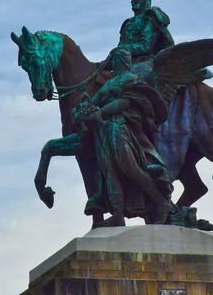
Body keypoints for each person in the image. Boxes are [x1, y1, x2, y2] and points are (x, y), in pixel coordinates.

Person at [74, 47, 173, 227]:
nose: (111, 63)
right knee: (109, 171)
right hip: (103, 131)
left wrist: (100, 112)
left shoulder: (132, 80)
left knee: (130, 167)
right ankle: (118, 214)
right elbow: (93, 103)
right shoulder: (109, 84)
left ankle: (161, 202)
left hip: (120, 127)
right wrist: (82, 109)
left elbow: (126, 102)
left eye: (114, 60)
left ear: (120, 60)